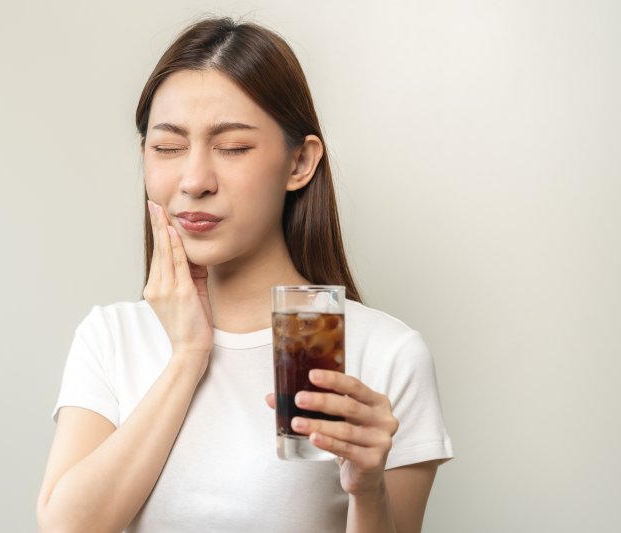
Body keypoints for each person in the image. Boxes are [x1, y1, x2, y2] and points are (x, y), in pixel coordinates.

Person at [36, 16, 453, 533]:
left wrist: (367, 489)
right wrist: (188, 356)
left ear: (300, 162)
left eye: (232, 147)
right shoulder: (112, 338)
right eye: (166, 147)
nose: (194, 180)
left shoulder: (383, 351)